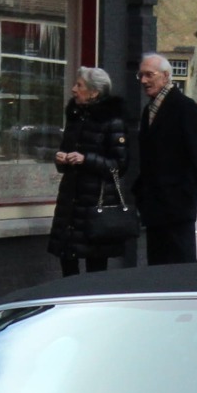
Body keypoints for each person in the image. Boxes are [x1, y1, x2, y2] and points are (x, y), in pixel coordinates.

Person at [46, 67, 131, 275]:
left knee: (95, 265)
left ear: (94, 92)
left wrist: (86, 160)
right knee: (67, 260)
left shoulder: (113, 121)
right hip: (71, 202)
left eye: (79, 85)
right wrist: (62, 159)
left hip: (96, 204)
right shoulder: (75, 118)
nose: (74, 90)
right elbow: (67, 154)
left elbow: (119, 165)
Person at [132, 53, 197, 265]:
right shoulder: (149, 110)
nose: (144, 81)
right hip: (154, 208)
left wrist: (184, 196)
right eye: (141, 75)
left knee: (180, 268)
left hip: (176, 210)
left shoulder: (185, 108)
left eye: (149, 75)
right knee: (157, 269)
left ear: (166, 76)